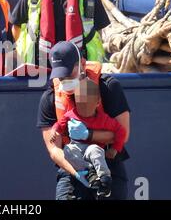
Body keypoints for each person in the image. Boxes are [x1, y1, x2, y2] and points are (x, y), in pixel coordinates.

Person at [37, 41, 131, 200]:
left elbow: (123, 133)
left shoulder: (107, 87)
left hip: (107, 162)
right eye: (61, 76)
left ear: (82, 64)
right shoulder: (50, 98)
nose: (65, 80)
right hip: (72, 166)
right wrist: (77, 172)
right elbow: (54, 149)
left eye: (69, 74)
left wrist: (88, 135)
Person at [51, 77, 127, 199]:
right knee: (68, 150)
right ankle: (89, 172)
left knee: (94, 150)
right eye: (81, 106)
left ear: (97, 102)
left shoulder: (103, 119)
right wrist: (54, 132)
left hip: (95, 149)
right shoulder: (71, 115)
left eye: (88, 106)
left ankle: (104, 179)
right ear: (76, 101)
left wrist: (115, 149)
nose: (84, 111)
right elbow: (59, 125)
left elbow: (121, 132)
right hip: (77, 150)